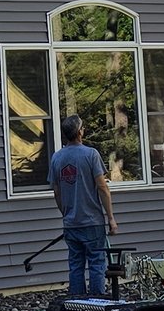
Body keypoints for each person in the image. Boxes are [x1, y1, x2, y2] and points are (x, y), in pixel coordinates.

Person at [49, 113, 118, 299]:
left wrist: (66, 212)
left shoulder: (57, 158)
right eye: (83, 127)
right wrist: (110, 218)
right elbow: (102, 187)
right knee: (96, 263)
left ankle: (77, 306)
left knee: (76, 264)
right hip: (92, 222)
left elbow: (56, 192)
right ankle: (97, 304)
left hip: (70, 223)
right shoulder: (91, 154)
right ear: (79, 132)